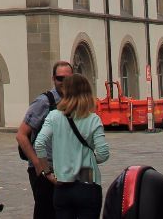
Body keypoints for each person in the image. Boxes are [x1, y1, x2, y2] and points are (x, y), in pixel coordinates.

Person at [35, 74, 111, 219]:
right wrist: (89, 159)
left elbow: (39, 144)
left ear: (65, 92)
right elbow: (103, 153)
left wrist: (48, 172)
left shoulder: (54, 116)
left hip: (63, 183)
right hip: (87, 180)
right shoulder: (93, 119)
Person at [17, 60, 73, 219]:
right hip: (45, 170)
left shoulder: (76, 101)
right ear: (53, 79)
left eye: (67, 78)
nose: (63, 82)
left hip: (68, 169)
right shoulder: (44, 101)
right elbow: (21, 135)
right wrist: (38, 165)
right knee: (46, 212)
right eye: (59, 78)